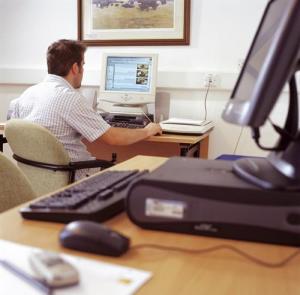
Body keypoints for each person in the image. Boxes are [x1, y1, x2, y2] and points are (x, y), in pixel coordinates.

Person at [8, 39, 162, 179]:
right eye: (83, 65)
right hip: (74, 175)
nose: (83, 70)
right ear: (75, 68)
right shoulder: (69, 98)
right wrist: (147, 130)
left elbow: (11, 125)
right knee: (140, 175)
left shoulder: (27, 94)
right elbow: (114, 138)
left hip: (38, 178)